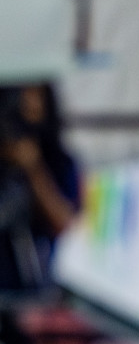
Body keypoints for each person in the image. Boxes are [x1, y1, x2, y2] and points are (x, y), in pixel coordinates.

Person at [0, 84, 77, 289]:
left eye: (34, 94)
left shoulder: (58, 160)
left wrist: (33, 167)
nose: (26, 102)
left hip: (20, 282)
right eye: (19, 94)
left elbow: (63, 220)